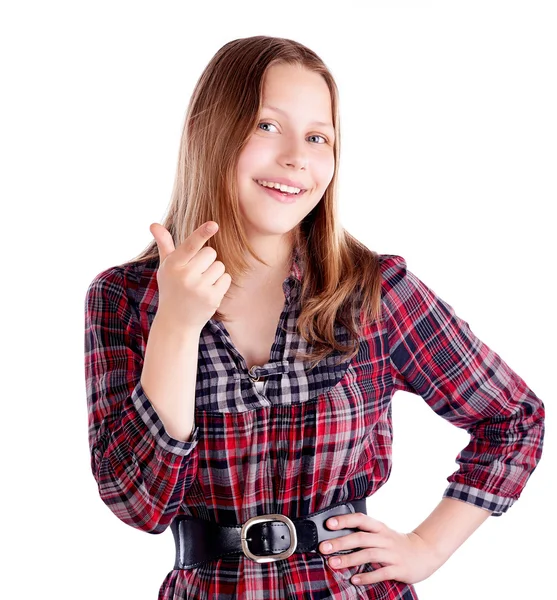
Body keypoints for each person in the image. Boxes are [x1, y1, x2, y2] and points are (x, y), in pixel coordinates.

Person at [83, 35, 545, 600]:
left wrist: (427, 547)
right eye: (267, 126)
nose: (297, 157)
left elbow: (514, 420)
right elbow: (139, 504)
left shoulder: (372, 292)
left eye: (318, 136)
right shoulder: (124, 298)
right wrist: (176, 326)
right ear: (212, 131)